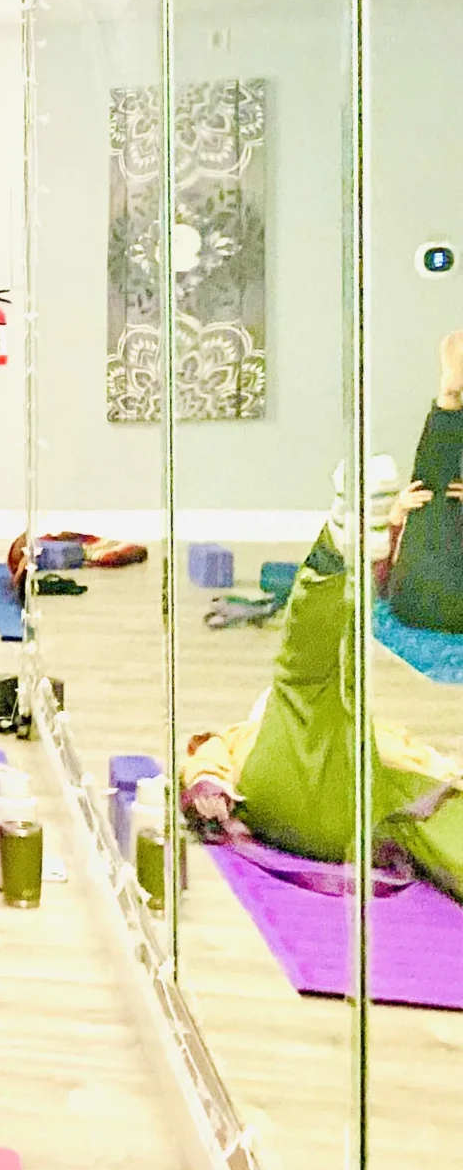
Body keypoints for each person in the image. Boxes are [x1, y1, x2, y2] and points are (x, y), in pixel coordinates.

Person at [183, 486, 463, 900]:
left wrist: (209, 783)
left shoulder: (362, 735)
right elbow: (206, 761)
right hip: (328, 808)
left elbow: (438, 774)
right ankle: (337, 555)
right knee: (318, 675)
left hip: (343, 815)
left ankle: (336, 554)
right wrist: (209, 783)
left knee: (314, 677)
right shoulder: (247, 734)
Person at [383, 329, 463, 633]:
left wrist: (396, 516)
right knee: (430, 494)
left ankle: (448, 396)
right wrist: (399, 511)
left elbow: (380, 566)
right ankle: (449, 396)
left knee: (432, 492)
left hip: (412, 604)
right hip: (428, 596)